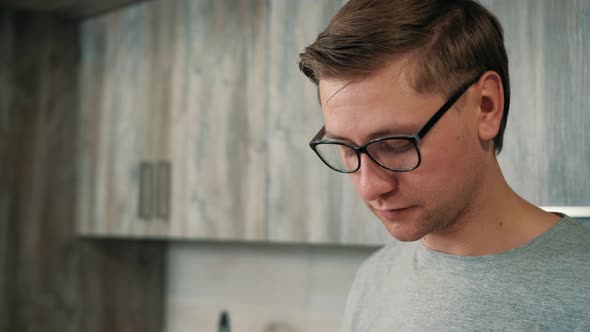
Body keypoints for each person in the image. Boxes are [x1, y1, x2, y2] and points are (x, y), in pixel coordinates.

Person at [298, 0, 590, 330]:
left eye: (395, 144)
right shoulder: (373, 279)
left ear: (486, 107)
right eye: (347, 149)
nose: (369, 187)